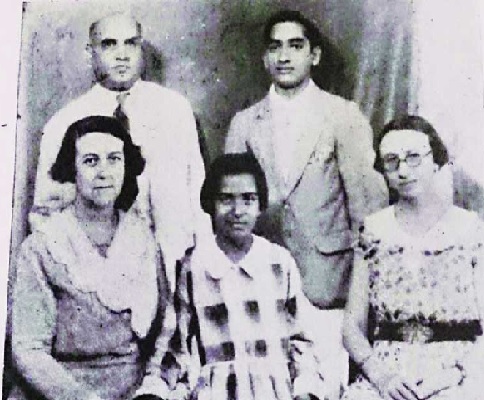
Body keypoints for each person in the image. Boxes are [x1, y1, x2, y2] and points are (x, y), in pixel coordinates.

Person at [225, 9, 387, 398]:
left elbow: (368, 211)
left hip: (327, 285)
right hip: (262, 287)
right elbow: (228, 211)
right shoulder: (244, 123)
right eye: (275, 47)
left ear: (314, 55)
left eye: (295, 46)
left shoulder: (341, 115)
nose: (284, 56)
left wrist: (361, 295)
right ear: (265, 57)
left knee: (324, 387)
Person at [9, 116, 176, 400]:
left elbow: (165, 331)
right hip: (60, 391)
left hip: (134, 392)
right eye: (90, 161)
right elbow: (29, 350)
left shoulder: (144, 240)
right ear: (71, 169)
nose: (104, 173)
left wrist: (152, 388)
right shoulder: (44, 246)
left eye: (114, 159)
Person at [31, 12, 206, 281]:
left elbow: (199, 195)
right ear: (90, 51)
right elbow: (45, 214)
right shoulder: (64, 122)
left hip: (175, 268)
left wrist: (201, 264)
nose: (122, 55)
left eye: (131, 43)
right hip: (98, 278)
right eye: (109, 44)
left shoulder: (175, 109)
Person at [342, 115, 484, 400]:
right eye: (391, 161)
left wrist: (450, 376)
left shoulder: (473, 231)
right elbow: (352, 327)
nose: (403, 171)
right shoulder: (372, 231)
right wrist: (381, 376)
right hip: (389, 375)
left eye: (414, 158)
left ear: (436, 161)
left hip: (458, 374)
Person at [168, 153, 325, 400]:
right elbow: (175, 348)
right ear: (210, 204)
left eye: (248, 199)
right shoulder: (194, 266)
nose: (237, 211)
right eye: (226, 199)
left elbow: (301, 343)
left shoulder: (279, 262)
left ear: (260, 205)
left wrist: (305, 390)